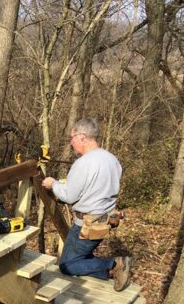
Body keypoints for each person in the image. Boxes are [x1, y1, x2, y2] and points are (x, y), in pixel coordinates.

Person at [42, 118, 132, 291]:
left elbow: (69, 196)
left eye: (72, 137)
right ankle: (112, 272)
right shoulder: (112, 159)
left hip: (87, 224)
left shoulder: (84, 163)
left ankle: (115, 264)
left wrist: (53, 184)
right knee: (83, 257)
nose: (71, 142)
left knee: (67, 265)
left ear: (83, 137)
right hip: (105, 220)